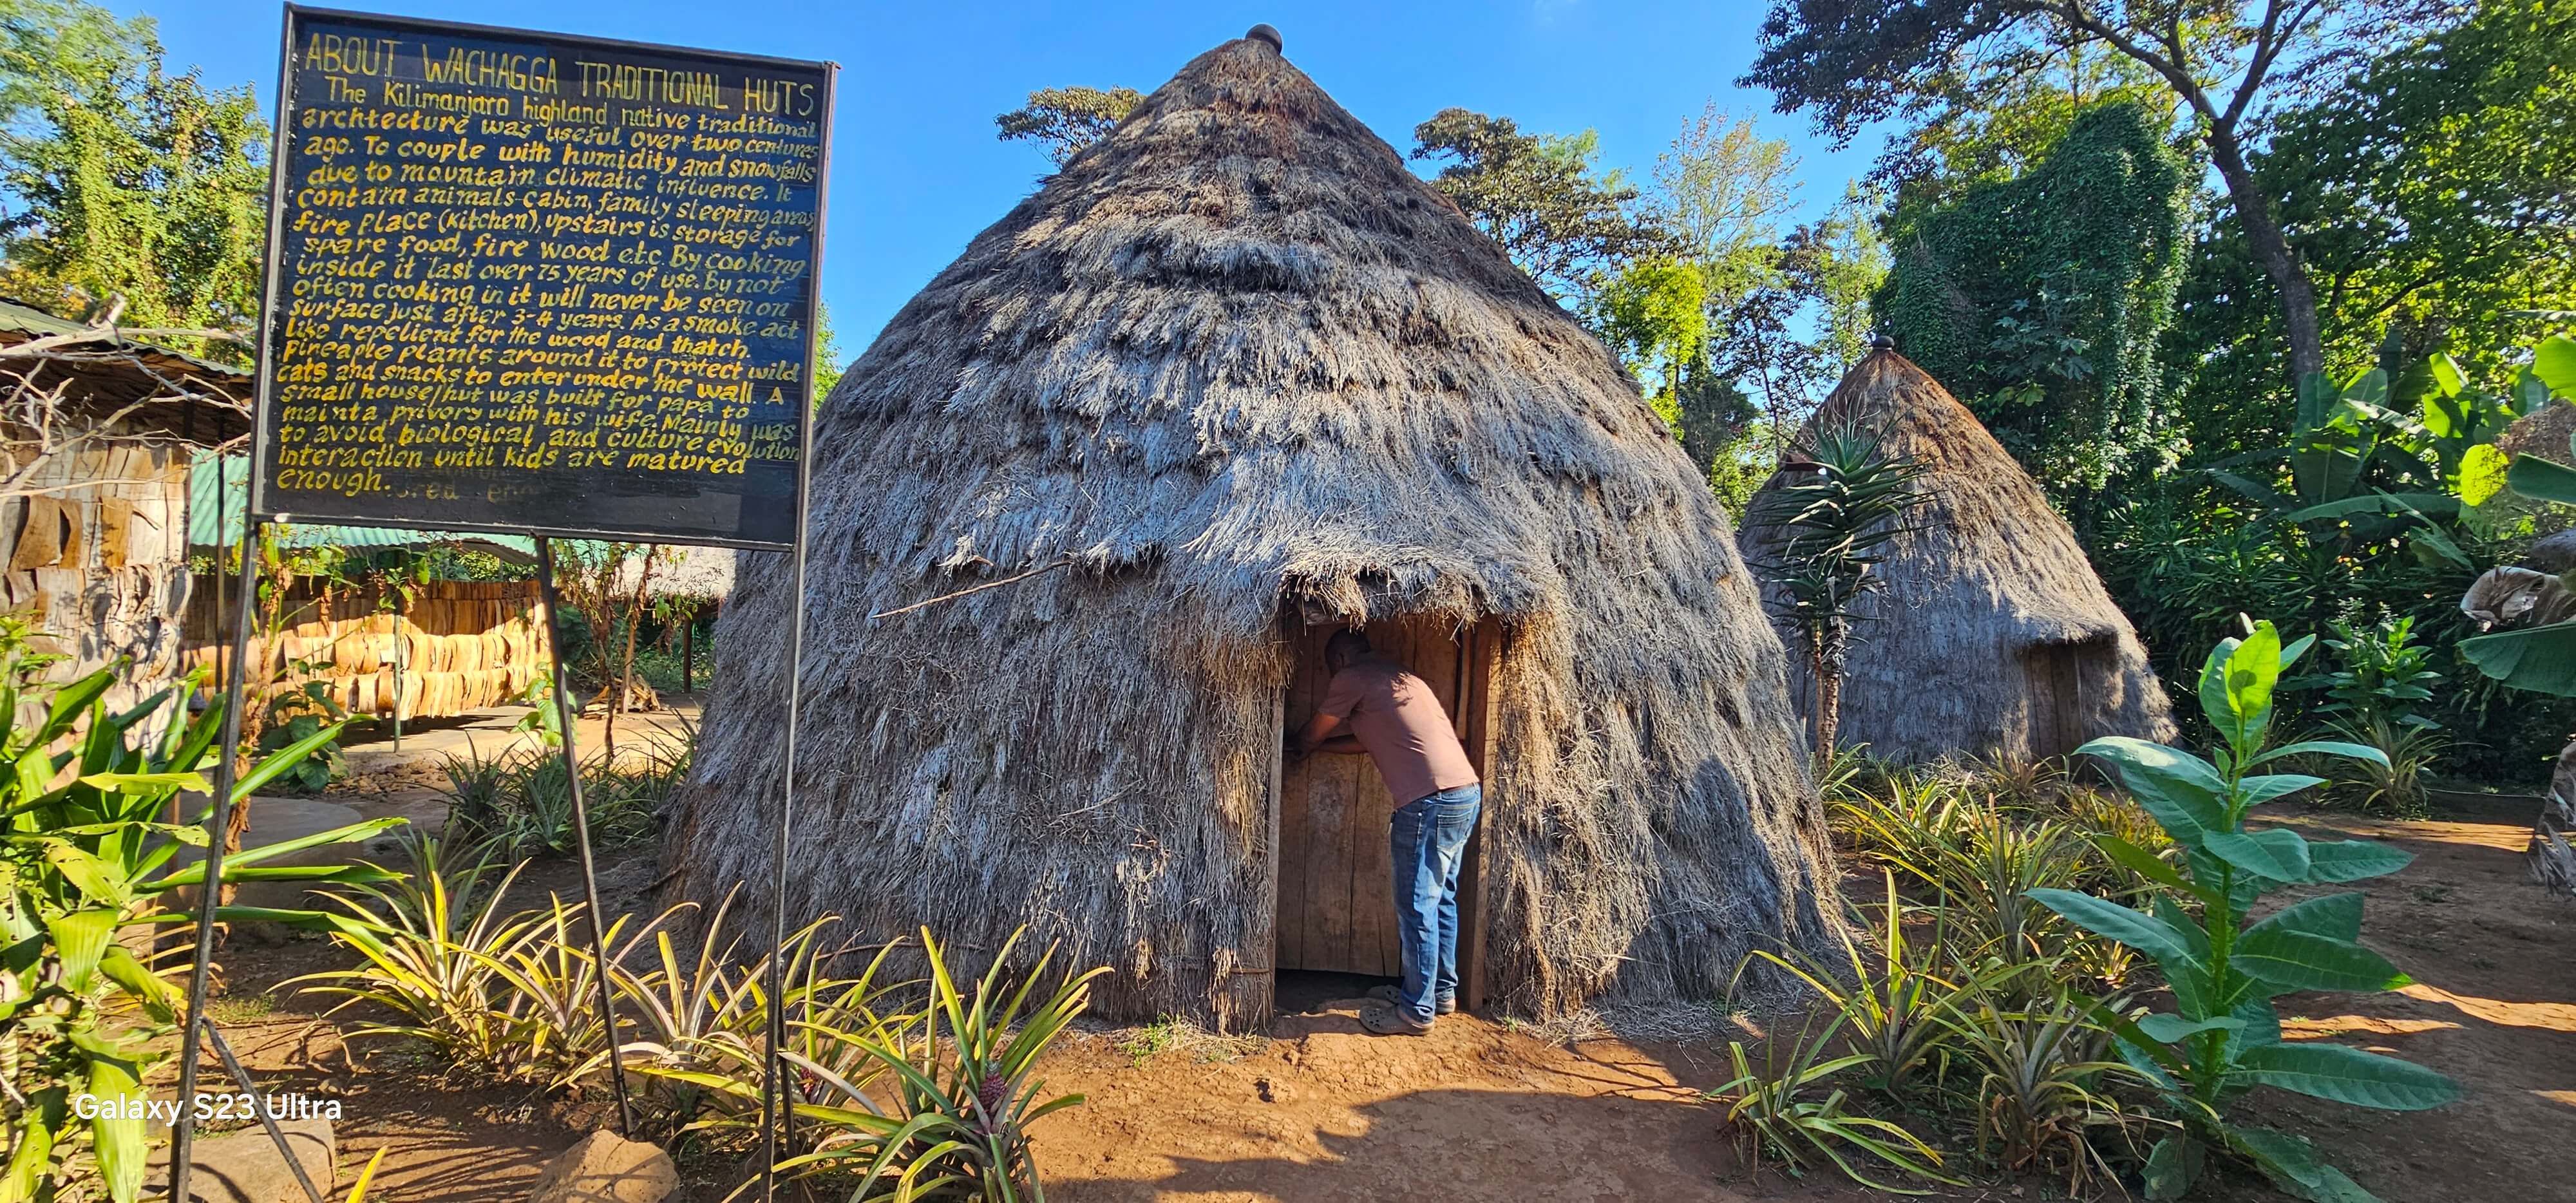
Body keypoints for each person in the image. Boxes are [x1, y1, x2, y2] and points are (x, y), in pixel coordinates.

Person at [1291, 629, 1482, 1036]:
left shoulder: (1351, 678)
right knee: (1442, 898)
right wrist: (1322, 749)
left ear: (1339, 661)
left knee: (1416, 906)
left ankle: (1416, 1012)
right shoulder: (1400, 678)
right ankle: (1439, 993)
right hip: (1463, 793)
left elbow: (1314, 732)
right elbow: (1365, 743)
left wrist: (1298, 746)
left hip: (1428, 803)